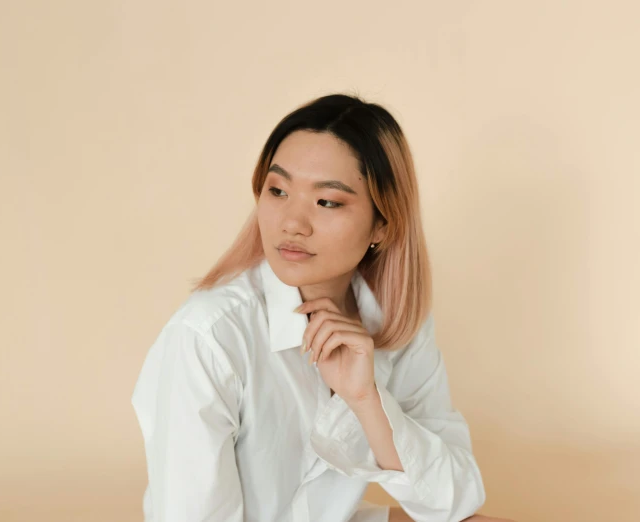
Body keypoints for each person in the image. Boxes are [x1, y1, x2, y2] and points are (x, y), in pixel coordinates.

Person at [131, 94, 514, 522]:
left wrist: (366, 399)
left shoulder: (394, 319)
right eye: (277, 191)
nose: (292, 222)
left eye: (327, 201)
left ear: (383, 225)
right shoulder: (208, 335)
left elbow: (454, 501)